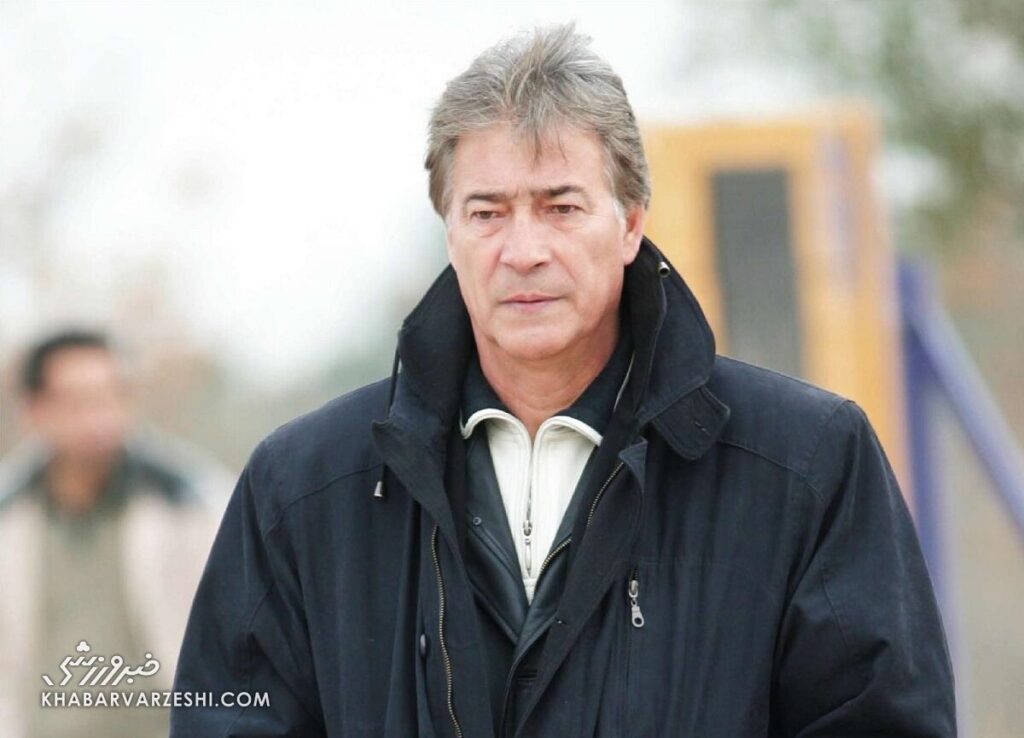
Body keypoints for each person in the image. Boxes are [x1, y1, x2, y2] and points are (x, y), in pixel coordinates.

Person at [171, 24, 956, 737]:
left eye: (560, 207)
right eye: (487, 213)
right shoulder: (303, 488)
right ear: (450, 231)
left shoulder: (806, 463)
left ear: (631, 222)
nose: (524, 251)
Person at [0, 330, 229, 738]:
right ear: (34, 409)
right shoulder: (11, 515)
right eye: (78, 401)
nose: (100, 418)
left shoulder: (192, 505)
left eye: (114, 395)